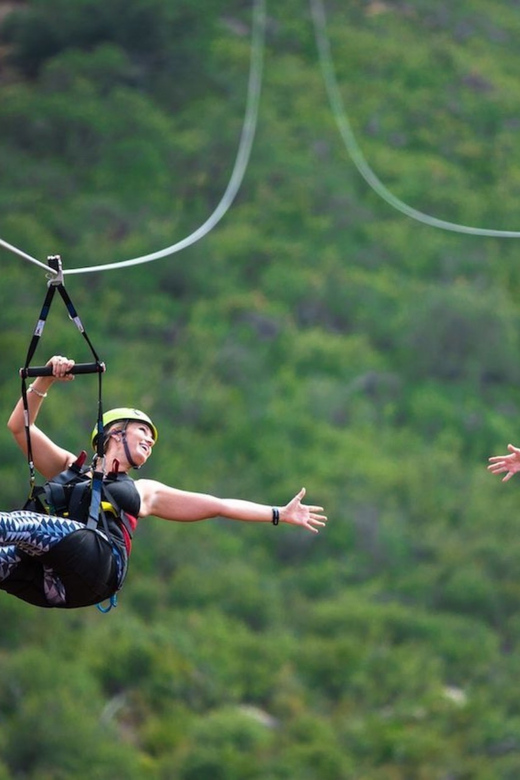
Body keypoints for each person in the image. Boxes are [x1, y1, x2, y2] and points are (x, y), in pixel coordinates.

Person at [1, 355, 327, 610]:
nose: (150, 441)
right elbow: (19, 426)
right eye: (142, 431)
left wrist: (278, 513)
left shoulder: (144, 491)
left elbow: (218, 506)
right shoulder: (69, 468)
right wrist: (44, 379)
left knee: (16, 524)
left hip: (98, 564)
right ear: (114, 432)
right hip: (56, 583)